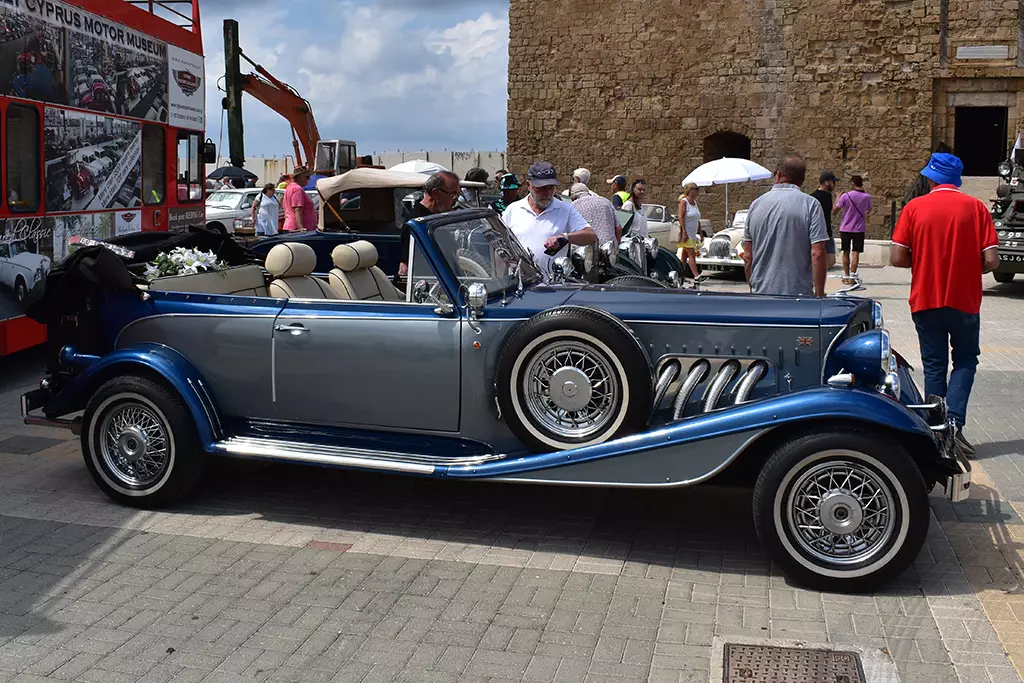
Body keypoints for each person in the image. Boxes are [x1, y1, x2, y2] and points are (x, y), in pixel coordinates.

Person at [890, 152, 1000, 455]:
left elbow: (897, 257)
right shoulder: (977, 209)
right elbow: (991, 260)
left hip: (925, 298)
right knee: (965, 360)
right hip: (964, 300)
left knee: (934, 364)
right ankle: (955, 423)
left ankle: (936, 431)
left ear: (931, 178)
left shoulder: (914, 208)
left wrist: (925, 260)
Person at [741, 154, 829, 297]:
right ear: (802, 180)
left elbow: (748, 255)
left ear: (778, 175)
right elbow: (817, 253)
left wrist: (753, 286)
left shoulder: (756, 205)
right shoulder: (811, 205)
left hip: (761, 292)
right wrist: (819, 294)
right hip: (797, 294)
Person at [502, 162, 597, 279]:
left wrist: (564, 237)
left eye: (550, 187)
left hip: (553, 287)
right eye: (540, 188)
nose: (547, 193)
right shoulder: (513, 210)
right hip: (519, 286)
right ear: (528, 185)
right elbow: (500, 246)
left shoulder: (565, 209)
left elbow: (591, 236)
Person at [398, 170, 461, 276]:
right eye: (452, 195)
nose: (455, 201)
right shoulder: (416, 223)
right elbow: (405, 268)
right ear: (435, 193)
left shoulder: (435, 218)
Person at [834, 175, 873, 284]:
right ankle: (853, 276)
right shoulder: (867, 197)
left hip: (846, 227)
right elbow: (869, 210)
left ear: (852, 183)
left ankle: (846, 276)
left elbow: (835, 210)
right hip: (859, 228)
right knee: (855, 253)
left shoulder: (846, 196)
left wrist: (837, 197)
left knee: (845, 252)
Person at [810, 171, 839, 269]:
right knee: (829, 260)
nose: (834, 184)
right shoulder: (817, 197)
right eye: (833, 182)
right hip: (821, 232)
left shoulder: (814, 196)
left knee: (831, 260)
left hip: (826, 231)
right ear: (827, 182)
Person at [282, 166, 315, 233]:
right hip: (296, 229)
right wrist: (300, 228)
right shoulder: (298, 189)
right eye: (307, 177)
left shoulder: (289, 187)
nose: (308, 180)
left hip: (290, 226)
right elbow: (298, 209)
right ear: (300, 176)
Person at [678, 183, 701, 278]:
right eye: (696, 189)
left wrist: (701, 232)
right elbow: (681, 217)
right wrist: (684, 232)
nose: (697, 191)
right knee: (691, 254)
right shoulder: (684, 202)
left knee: (684, 255)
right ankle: (696, 276)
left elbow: (697, 219)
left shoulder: (695, 203)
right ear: (690, 190)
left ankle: (680, 273)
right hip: (686, 233)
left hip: (693, 233)